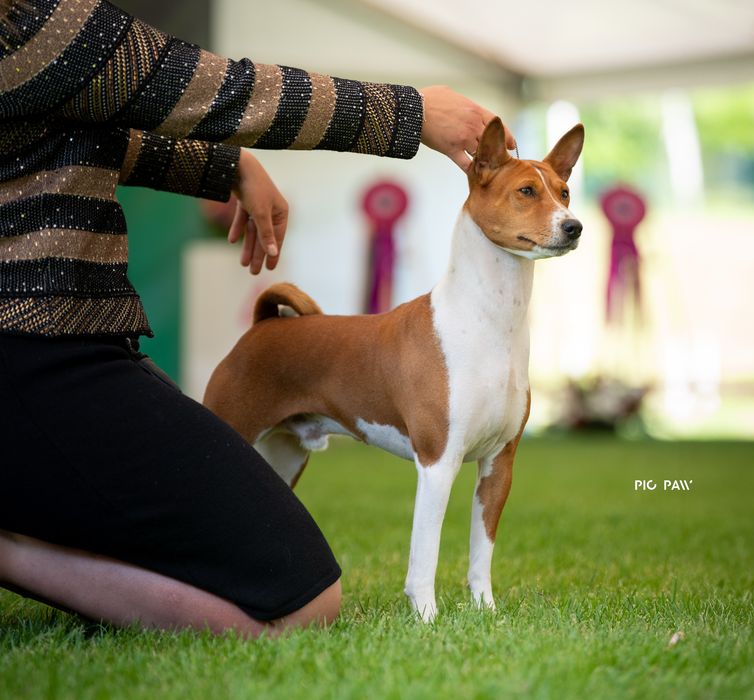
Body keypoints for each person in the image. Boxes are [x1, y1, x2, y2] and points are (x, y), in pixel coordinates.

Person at [0, 0, 515, 635]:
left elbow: (86, 137)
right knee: (296, 598)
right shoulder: (31, 20)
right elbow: (211, 87)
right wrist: (411, 112)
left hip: (66, 342)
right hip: (32, 348)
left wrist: (227, 164)